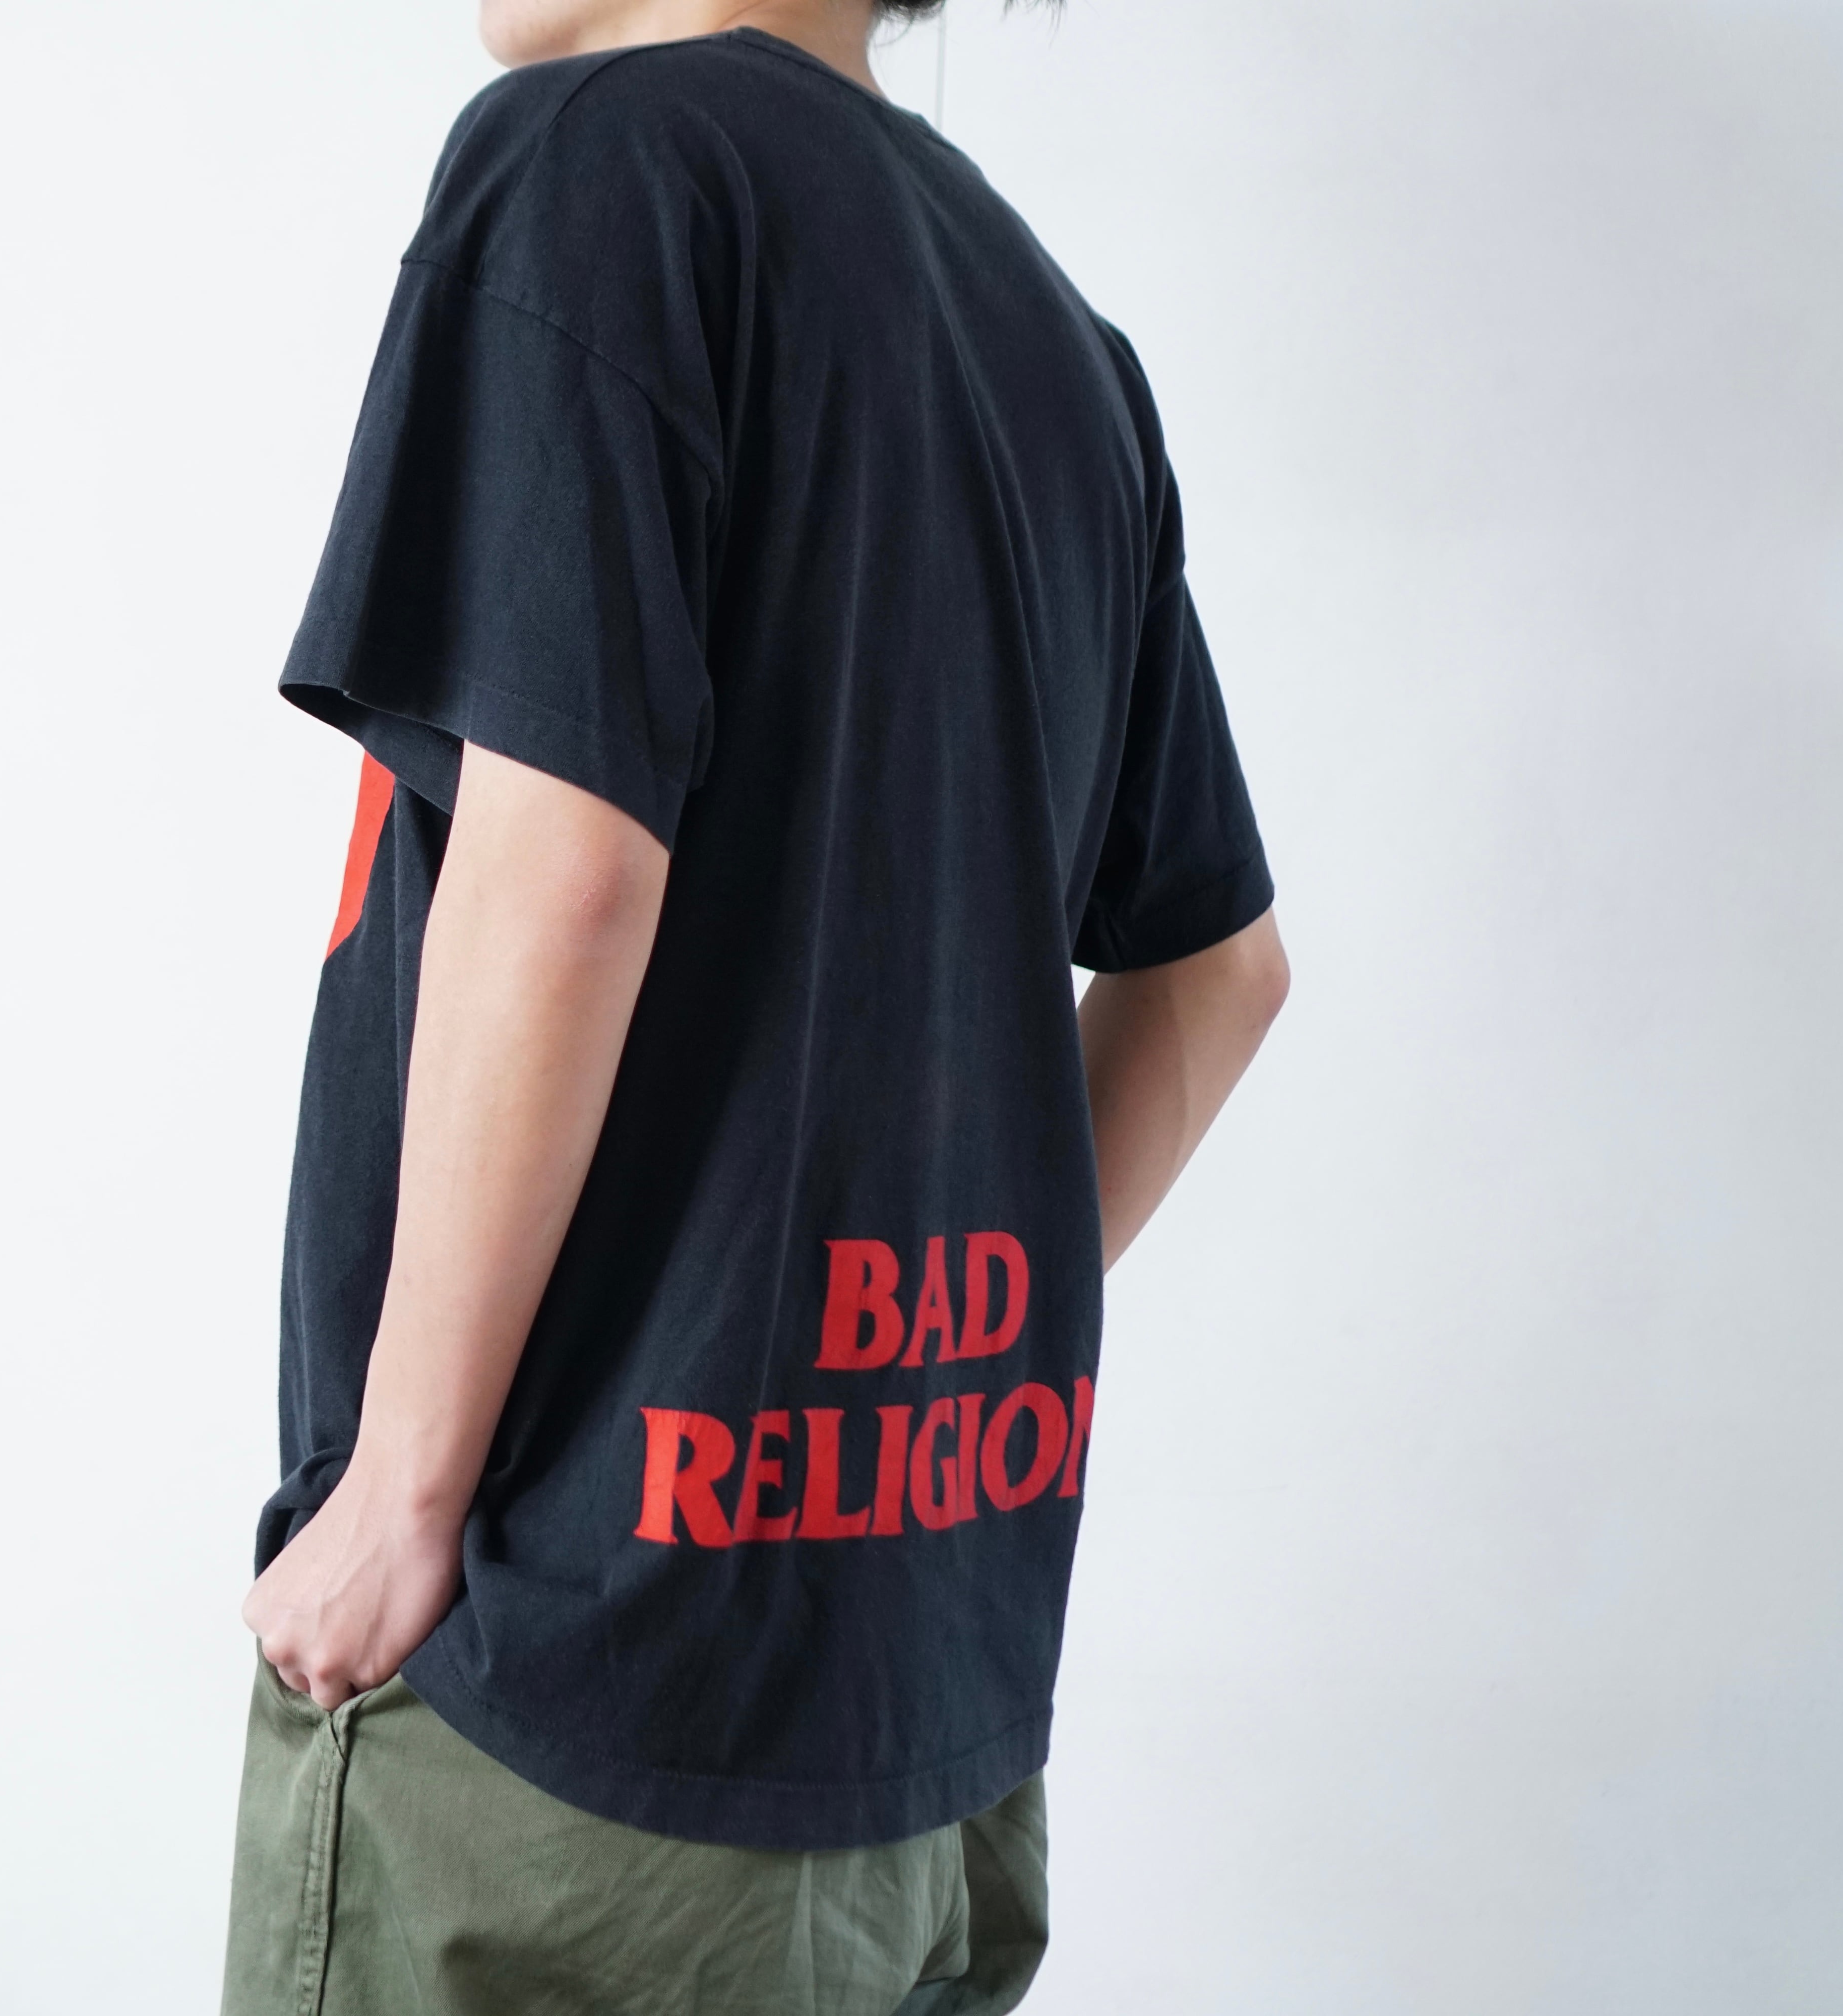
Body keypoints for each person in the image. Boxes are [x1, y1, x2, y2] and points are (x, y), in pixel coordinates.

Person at [223, 2, 1289, 2008]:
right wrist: (875, 1366)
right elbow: (1216, 972)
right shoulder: (1052, 343)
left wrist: (402, 1493)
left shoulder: (600, 167)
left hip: (573, 1707)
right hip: (918, 1734)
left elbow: (565, 865)